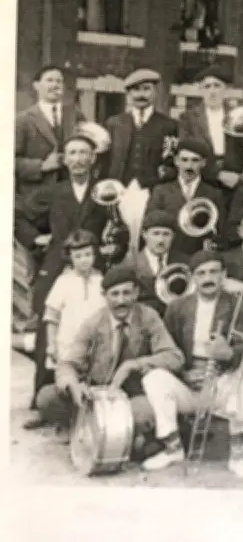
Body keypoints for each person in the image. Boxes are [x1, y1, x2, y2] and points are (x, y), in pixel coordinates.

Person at [15, 132, 125, 422]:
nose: (78, 159)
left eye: (83, 153)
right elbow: (18, 215)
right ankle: (43, 403)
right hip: (55, 268)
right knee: (47, 334)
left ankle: (91, 397)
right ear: (65, 160)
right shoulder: (54, 191)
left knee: (96, 328)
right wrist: (36, 240)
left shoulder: (104, 192)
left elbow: (119, 228)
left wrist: (117, 244)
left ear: (93, 159)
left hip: (94, 268)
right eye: (72, 153)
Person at [141, 250, 243, 477]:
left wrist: (229, 354)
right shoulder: (177, 307)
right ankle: (173, 448)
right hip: (188, 385)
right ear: (193, 278)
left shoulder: (239, 306)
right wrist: (183, 373)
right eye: (201, 273)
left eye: (214, 272)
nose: (208, 278)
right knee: (154, 378)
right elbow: (168, 350)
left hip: (222, 384)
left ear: (223, 275)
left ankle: (238, 455)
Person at [36, 265, 184, 447]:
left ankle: (124, 435)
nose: (121, 300)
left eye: (126, 293)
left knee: (143, 413)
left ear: (136, 293)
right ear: (104, 295)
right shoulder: (92, 323)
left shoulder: (148, 317)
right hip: (96, 395)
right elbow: (68, 364)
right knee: (46, 397)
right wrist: (72, 386)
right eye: (114, 294)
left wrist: (135, 364)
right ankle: (77, 425)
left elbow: (174, 357)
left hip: (132, 394)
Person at [178, 65, 243, 205]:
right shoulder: (188, 118)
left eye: (217, 86)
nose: (212, 91)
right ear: (200, 89)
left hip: (235, 181)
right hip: (203, 181)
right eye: (207, 86)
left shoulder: (238, 115)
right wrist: (217, 174)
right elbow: (187, 152)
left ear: (225, 88)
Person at [98, 68, 178, 191]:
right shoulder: (114, 124)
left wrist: (165, 172)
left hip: (154, 192)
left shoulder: (169, 126)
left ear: (155, 92)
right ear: (129, 94)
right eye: (136, 90)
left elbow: (174, 163)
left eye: (146, 89)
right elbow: (104, 162)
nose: (141, 95)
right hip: (118, 191)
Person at [144, 138, 227, 256]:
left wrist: (214, 244)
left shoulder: (215, 194)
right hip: (170, 254)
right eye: (184, 160)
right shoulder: (161, 191)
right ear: (176, 161)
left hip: (201, 255)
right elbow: (151, 225)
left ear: (203, 163)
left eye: (195, 160)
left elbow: (222, 230)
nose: (189, 166)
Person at [15, 64, 84, 199]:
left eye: (59, 81)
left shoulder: (76, 115)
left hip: (70, 197)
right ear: (36, 85)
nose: (55, 85)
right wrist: (42, 166)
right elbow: (8, 161)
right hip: (35, 201)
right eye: (49, 80)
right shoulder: (22, 119)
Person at [42, 230, 106, 373]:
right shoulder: (64, 281)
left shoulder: (101, 280)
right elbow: (51, 316)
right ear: (70, 257)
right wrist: (51, 344)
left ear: (94, 254)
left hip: (95, 343)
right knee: (68, 378)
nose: (84, 260)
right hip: (68, 343)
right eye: (78, 256)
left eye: (88, 255)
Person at [130, 210, 189, 316]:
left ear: (173, 237)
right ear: (144, 234)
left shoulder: (185, 262)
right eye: (155, 234)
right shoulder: (130, 265)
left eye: (166, 234)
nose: (161, 240)